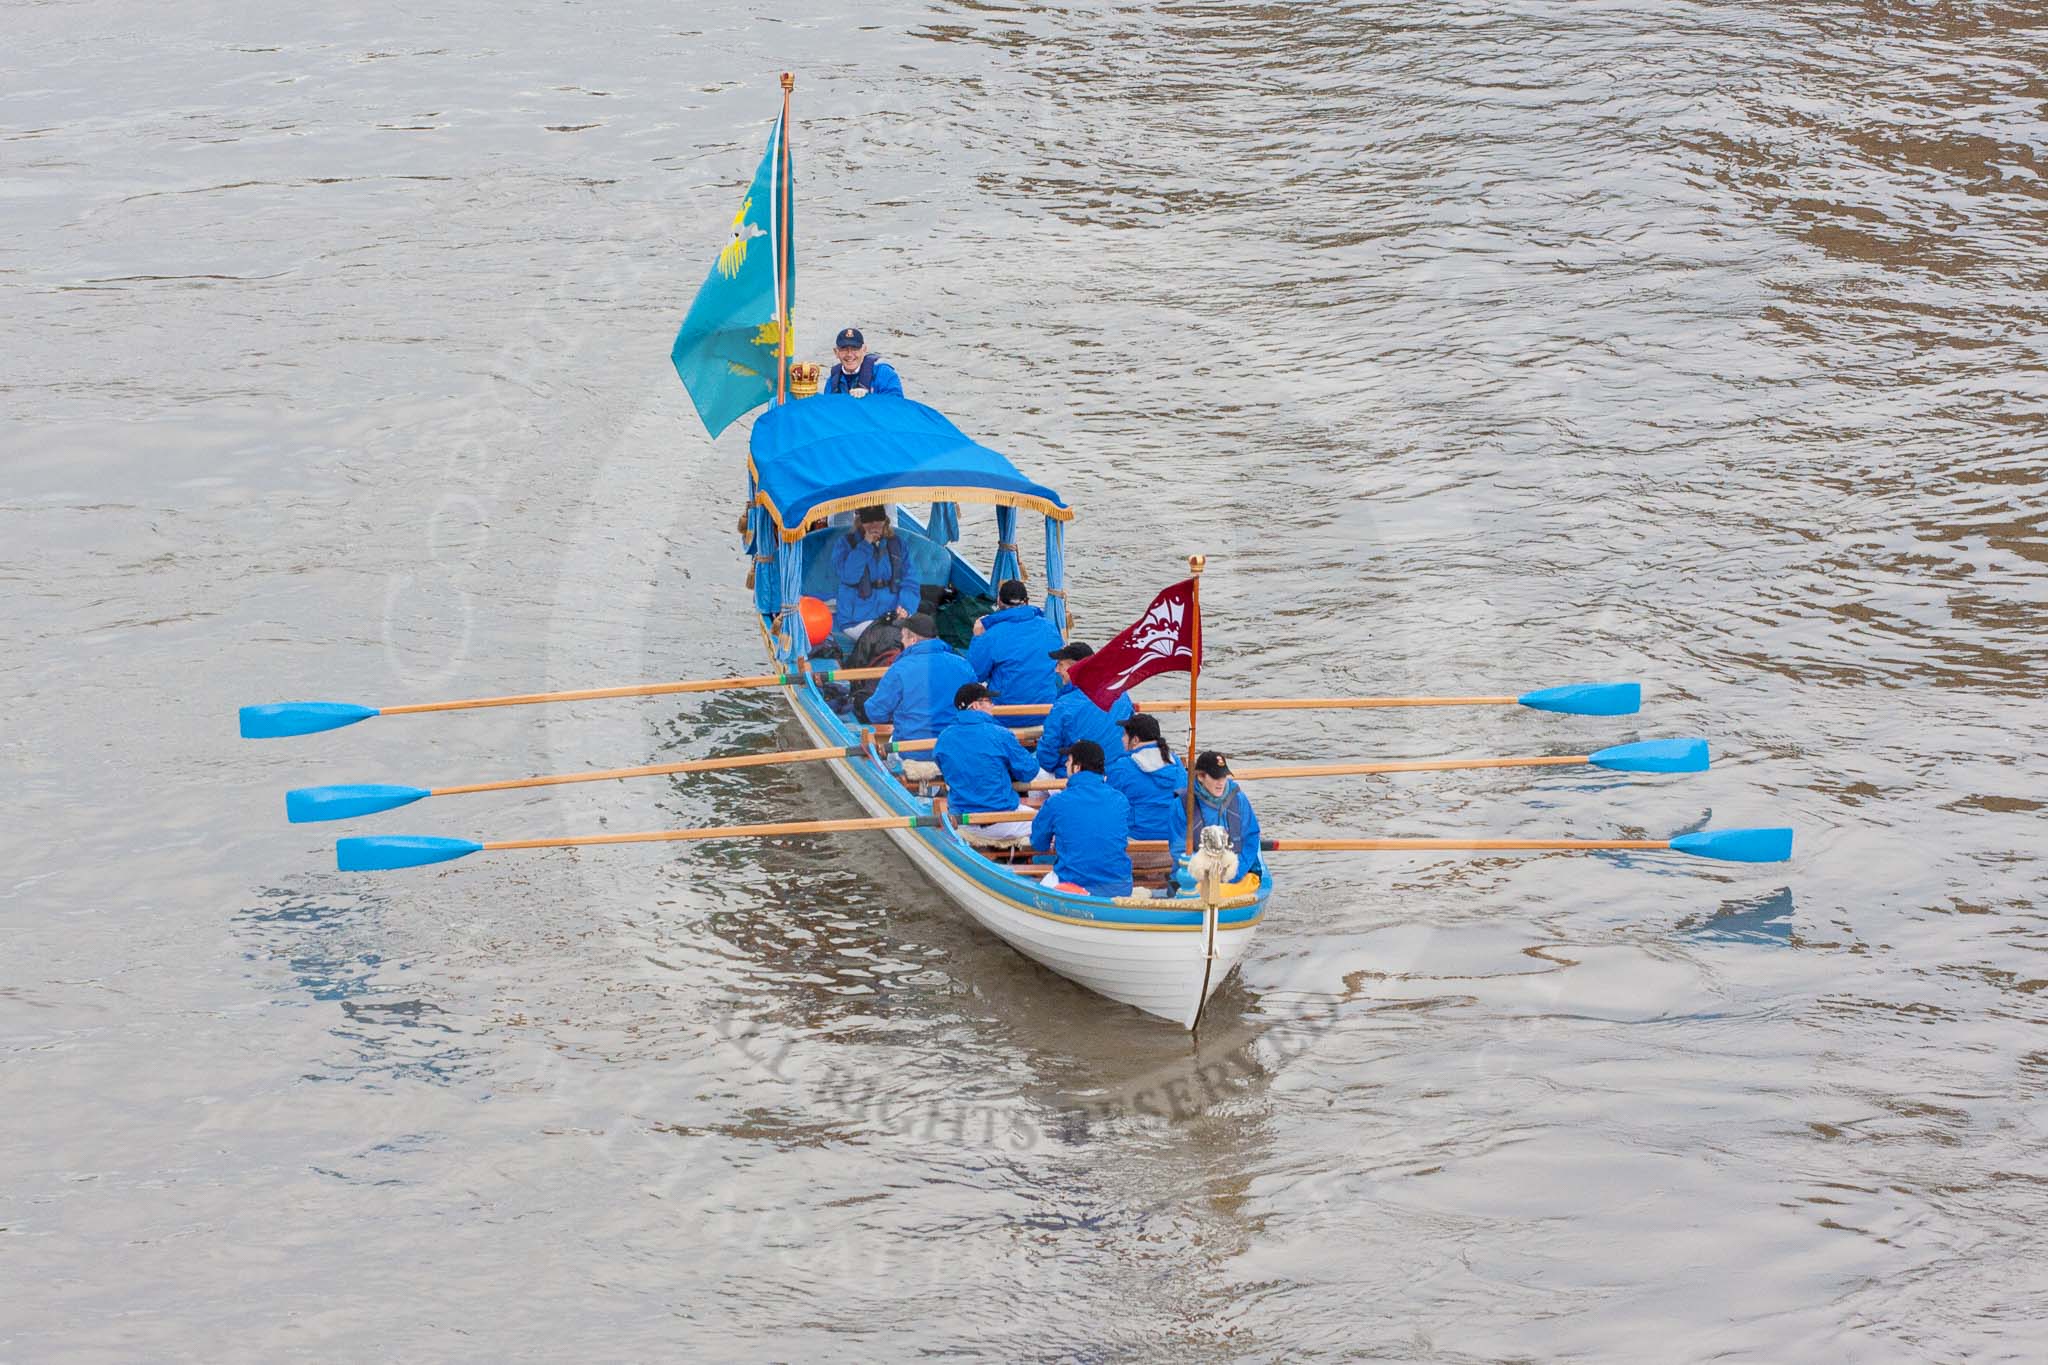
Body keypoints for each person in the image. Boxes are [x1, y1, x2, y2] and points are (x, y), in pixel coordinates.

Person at [932, 683, 1050, 844]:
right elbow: (1029, 771)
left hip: (962, 819)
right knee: (1051, 824)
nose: (993, 705)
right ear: (975, 705)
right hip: (1002, 820)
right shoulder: (1000, 733)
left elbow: (945, 768)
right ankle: (1039, 860)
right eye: (988, 701)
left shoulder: (944, 738)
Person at [1029, 740, 1133, 897]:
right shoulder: (1121, 800)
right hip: (1120, 886)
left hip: (1076, 885)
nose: (1065, 765)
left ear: (1077, 767)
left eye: (1068, 761)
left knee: (1039, 892)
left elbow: (1038, 843)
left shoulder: (1057, 802)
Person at [862, 613, 975, 744]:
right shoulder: (964, 665)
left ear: (913, 640)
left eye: (903, 637)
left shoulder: (899, 669)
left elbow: (876, 713)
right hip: (954, 745)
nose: (902, 642)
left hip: (911, 749)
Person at [966, 579, 1062, 725]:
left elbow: (975, 673)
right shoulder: (1050, 628)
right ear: (1026, 601)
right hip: (1046, 710)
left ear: (999, 601)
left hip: (1006, 715)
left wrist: (978, 636)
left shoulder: (992, 634)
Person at [1034, 642, 1135, 777]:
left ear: (1075, 668)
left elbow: (1047, 759)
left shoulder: (1065, 705)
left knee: (1034, 772)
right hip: (1116, 773)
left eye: (1060, 665)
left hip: (1075, 776)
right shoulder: (1121, 694)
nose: (1056, 670)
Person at [1105, 713, 1189, 857]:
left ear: (1135, 740)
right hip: (1174, 843)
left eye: (1125, 735)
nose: (1122, 739)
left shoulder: (1123, 767)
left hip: (1136, 842)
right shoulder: (1176, 763)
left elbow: (1108, 805)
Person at [829, 505, 920, 633]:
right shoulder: (844, 544)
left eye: (878, 519)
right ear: (860, 521)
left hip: (891, 614)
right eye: (868, 520)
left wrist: (905, 607)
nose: (874, 525)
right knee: (888, 639)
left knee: (922, 633)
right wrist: (865, 544)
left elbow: (910, 581)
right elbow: (849, 577)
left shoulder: (898, 544)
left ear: (885, 519)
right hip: (856, 618)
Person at [1189, 750, 1265, 887]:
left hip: (1236, 874)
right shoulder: (1184, 804)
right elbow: (1178, 848)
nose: (1221, 783)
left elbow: (1251, 839)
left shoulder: (1239, 800)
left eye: (1223, 777)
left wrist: (1233, 874)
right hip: (1198, 877)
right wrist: (1203, 875)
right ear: (1200, 776)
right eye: (1215, 777)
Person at [819, 327, 904, 398]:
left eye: (855, 349)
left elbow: (896, 405)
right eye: (844, 349)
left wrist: (868, 398)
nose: (849, 354)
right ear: (836, 352)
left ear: (864, 350)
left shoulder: (884, 373)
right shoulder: (832, 381)